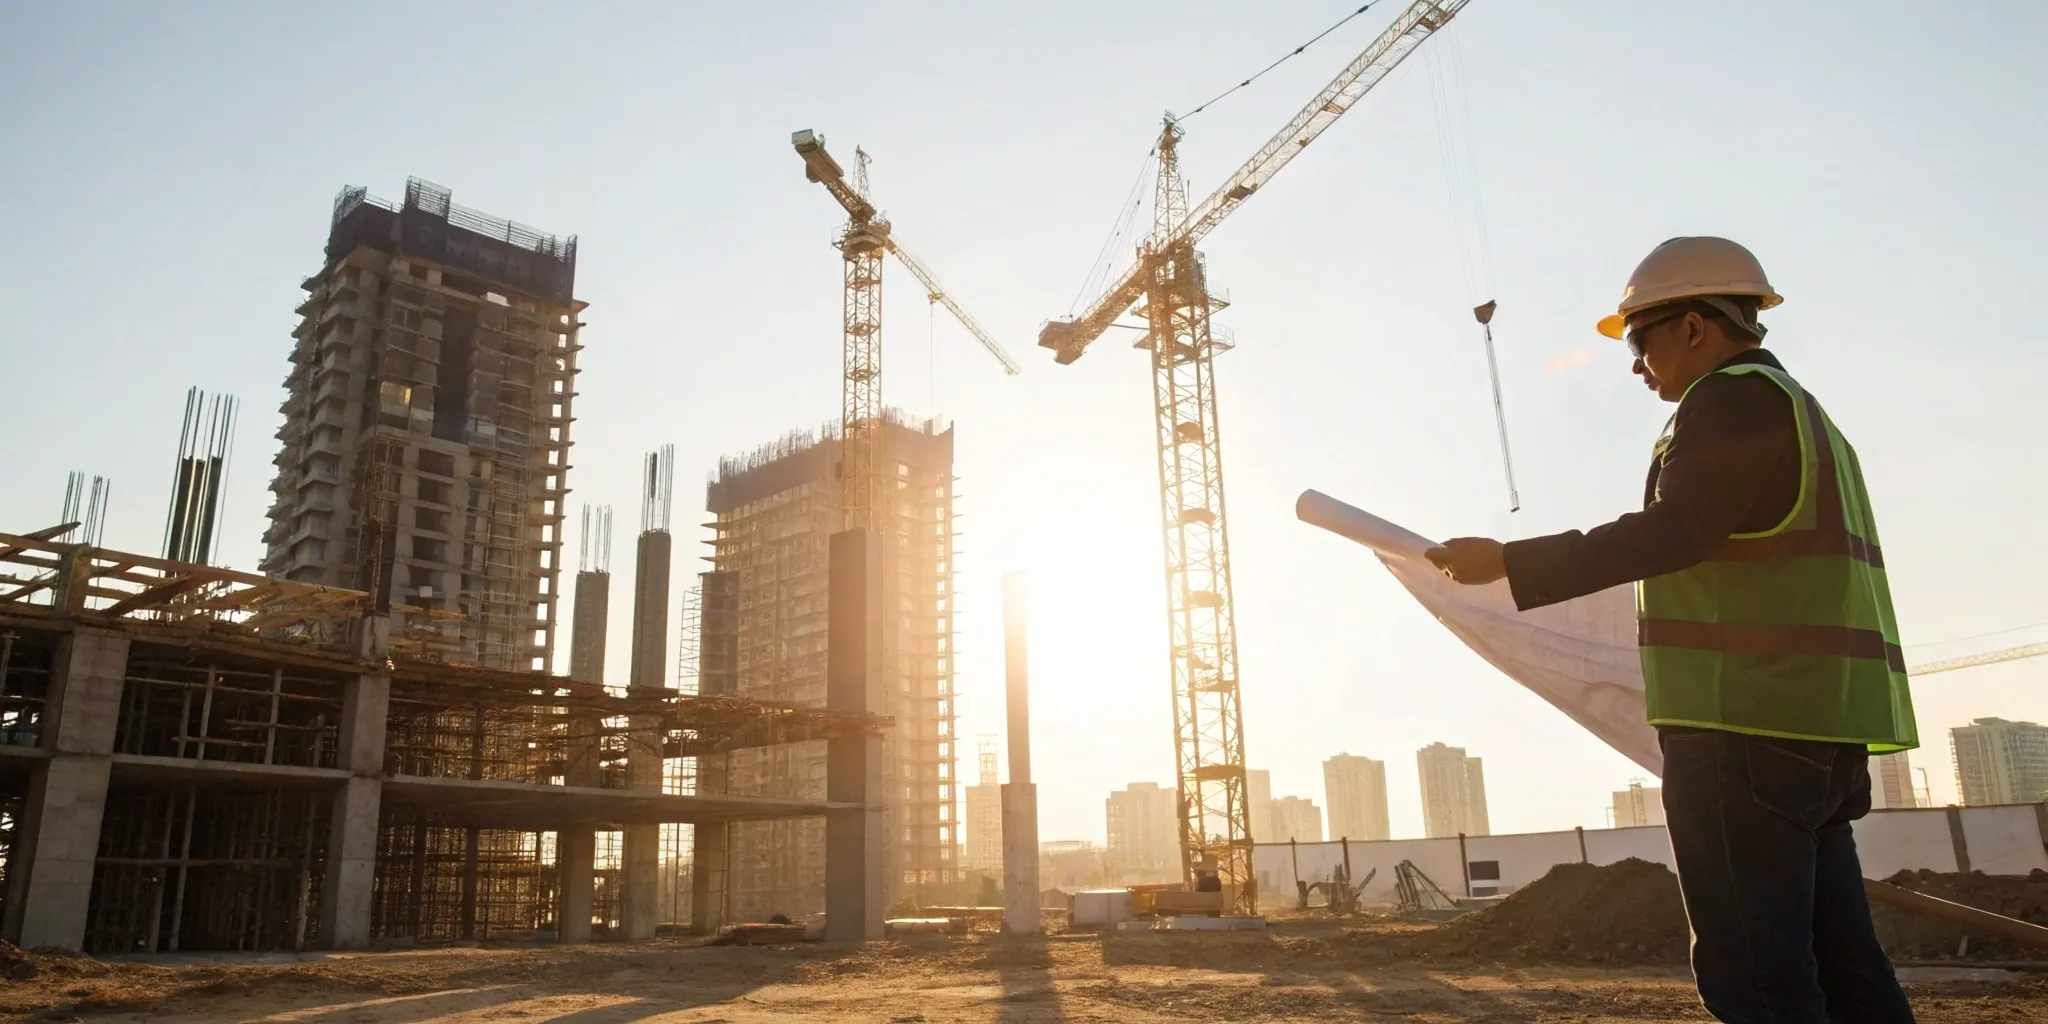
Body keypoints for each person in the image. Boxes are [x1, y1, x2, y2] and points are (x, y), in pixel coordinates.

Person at [1424, 237, 1918, 1023]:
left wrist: (1509, 562)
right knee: (1842, 967)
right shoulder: (1805, 414)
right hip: (1819, 728)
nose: (1633, 365)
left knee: (1757, 978)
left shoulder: (1728, 400)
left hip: (1743, 728)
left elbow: (1673, 532)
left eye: (1638, 339)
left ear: (1694, 327)